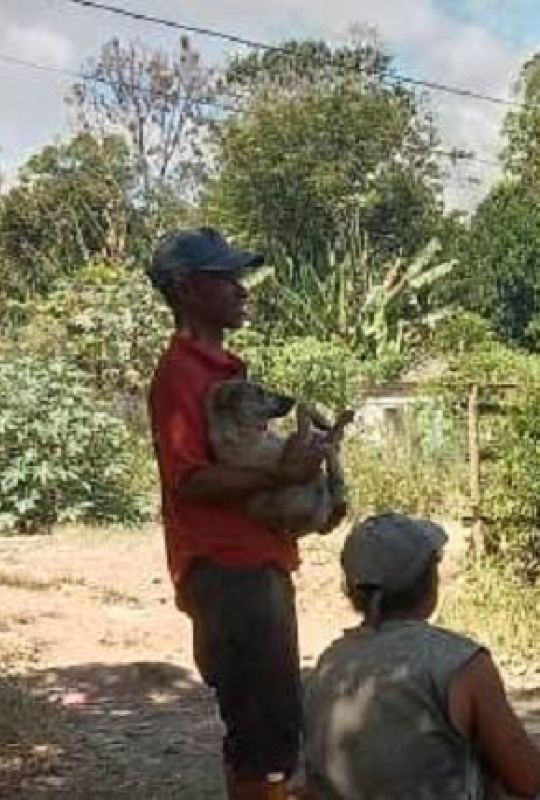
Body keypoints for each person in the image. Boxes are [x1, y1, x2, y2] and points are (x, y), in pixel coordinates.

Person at [146, 228, 335, 799]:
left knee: (269, 729)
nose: (240, 288)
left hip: (255, 564)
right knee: (263, 734)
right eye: (224, 277)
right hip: (228, 571)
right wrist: (282, 474)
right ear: (185, 289)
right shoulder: (180, 375)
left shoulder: (226, 372)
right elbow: (192, 481)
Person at [303, 513, 540, 800]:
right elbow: (528, 779)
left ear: (352, 590)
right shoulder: (461, 663)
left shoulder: (330, 662)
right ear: (430, 582)